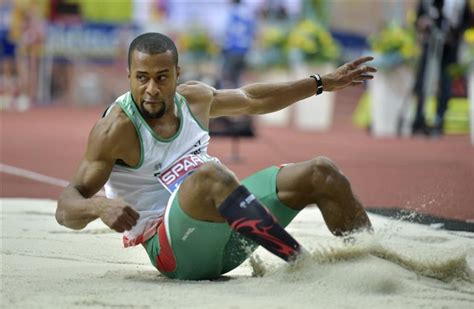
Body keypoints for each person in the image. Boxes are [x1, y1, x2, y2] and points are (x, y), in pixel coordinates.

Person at [56, 32, 376, 280]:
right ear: (129, 76)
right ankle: (303, 264)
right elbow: (65, 207)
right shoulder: (115, 129)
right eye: (142, 78)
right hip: (177, 253)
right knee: (211, 175)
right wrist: (99, 205)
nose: (151, 88)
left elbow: (253, 99)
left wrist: (320, 83)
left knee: (322, 171)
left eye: (161, 77)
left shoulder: (193, 98)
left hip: (231, 231)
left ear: (177, 74)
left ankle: (373, 263)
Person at [411, 0, 471, 137]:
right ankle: (418, 118)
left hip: (450, 46)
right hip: (430, 43)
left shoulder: (461, 2)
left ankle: (439, 119)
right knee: (422, 82)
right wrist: (422, 23)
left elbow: (467, 20)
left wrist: (455, 31)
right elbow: (418, 17)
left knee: (445, 83)